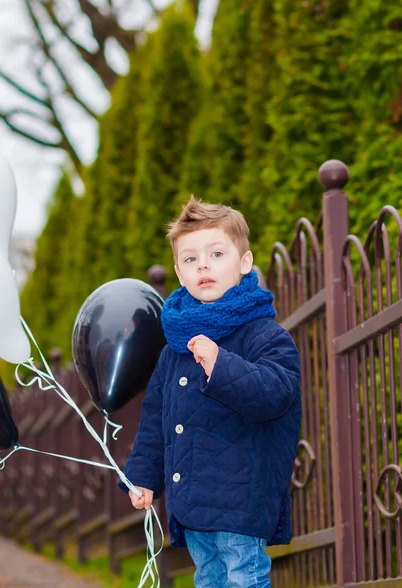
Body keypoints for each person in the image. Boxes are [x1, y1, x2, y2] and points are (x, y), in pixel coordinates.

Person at [118, 196, 301, 587]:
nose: (203, 264)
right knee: (209, 578)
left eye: (216, 253)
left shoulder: (264, 334)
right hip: (193, 498)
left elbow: (277, 392)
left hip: (243, 497)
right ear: (179, 273)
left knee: (244, 576)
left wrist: (221, 364)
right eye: (190, 259)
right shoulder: (174, 350)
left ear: (245, 263)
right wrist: (143, 477)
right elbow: (155, 422)